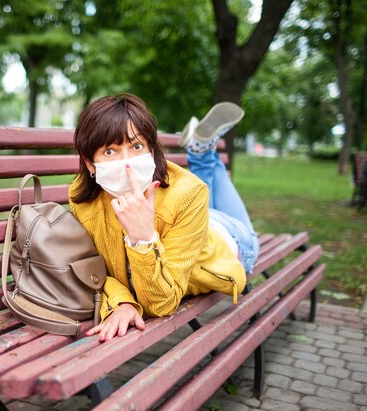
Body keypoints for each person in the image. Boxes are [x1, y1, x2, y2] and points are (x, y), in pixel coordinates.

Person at [68, 94, 259, 342]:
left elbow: (161, 305)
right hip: (188, 221)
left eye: (136, 147)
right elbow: (90, 267)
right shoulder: (82, 200)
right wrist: (121, 302)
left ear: (151, 150)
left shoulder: (190, 193)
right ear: (90, 163)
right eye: (110, 151)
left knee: (217, 207)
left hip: (230, 240)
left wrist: (143, 237)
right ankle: (202, 150)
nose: (126, 164)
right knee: (198, 196)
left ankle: (202, 152)